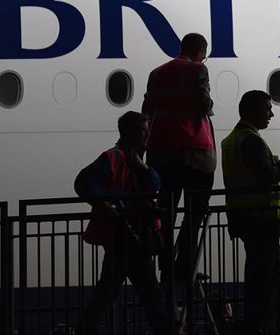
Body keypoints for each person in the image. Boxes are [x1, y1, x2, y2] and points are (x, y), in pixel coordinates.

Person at [75, 111, 173, 335]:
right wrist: (108, 206)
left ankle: (85, 330)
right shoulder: (116, 158)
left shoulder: (130, 159)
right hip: (127, 234)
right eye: (143, 129)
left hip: (124, 234)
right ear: (130, 131)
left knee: (108, 291)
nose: (148, 134)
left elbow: (154, 183)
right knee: (150, 293)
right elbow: (84, 182)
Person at [221, 90, 280, 335]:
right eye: (267, 108)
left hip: (244, 216)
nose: (271, 114)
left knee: (262, 274)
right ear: (252, 111)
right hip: (261, 220)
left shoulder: (232, 140)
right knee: (266, 279)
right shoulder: (251, 140)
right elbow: (267, 177)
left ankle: (263, 325)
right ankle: (263, 327)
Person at [142, 32, 216, 288]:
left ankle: (165, 265)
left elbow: (147, 109)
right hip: (194, 152)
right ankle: (183, 266)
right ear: (199, 51)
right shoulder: (197, 70)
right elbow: (203, 103)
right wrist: (210, 104)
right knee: (195, 214)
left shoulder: (156, 73)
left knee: (166, 211)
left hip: (160, 151)